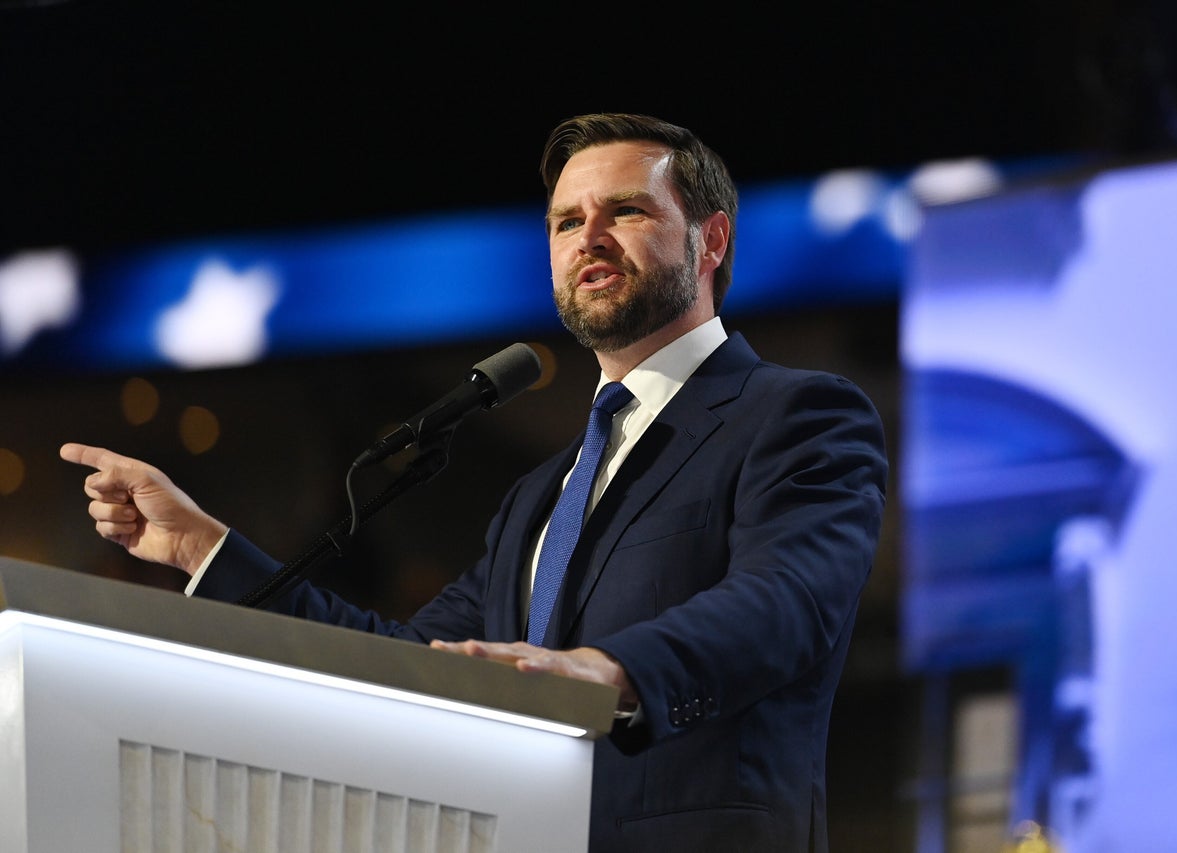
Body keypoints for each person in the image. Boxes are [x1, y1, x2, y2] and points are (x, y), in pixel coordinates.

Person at [61, 113, 889, 853]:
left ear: (710, 241)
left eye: (624, 211)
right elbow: (409, 668)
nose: (587, 237)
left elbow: (786, 602)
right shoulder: (541, 493)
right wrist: (203, 546)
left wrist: (609, 672)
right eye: (566, 221)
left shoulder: (797, 415)